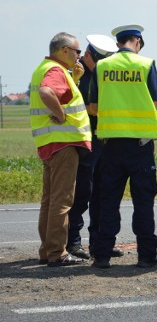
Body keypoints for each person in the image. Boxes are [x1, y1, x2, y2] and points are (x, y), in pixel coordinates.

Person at [89, 24, 157, 269]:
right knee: (143, 202)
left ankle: (102, 256)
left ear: (118, 43)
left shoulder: (102, 66)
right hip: (140, 145)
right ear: (138, 42)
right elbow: (155, 102)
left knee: (108, 201)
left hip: (111, 145)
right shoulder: (146, 64)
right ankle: (146, 256)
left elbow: (93, 106)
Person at [29, 32, 92, 267]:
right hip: (63, 144)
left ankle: (47, 250)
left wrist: (73, 80)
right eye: (77, 52)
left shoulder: (44, 68)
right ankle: (58, 253)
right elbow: (47, 92)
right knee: (62, 201)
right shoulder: (55, 70)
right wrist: (60, 114)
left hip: (49, 143)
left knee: (49, 200)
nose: (79, 56)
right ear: (64, 50)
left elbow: (60, 95)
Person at [66, 34, 124, 260]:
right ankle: (73, 242)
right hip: (85, 142)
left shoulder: (107, 77)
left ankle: (101, 243)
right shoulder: (76, 77)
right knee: (82, 192)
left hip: (106, 141)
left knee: (104, 193)